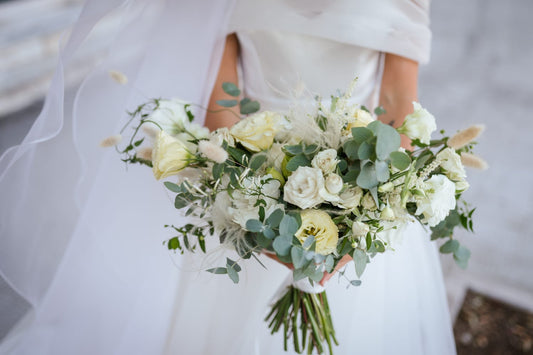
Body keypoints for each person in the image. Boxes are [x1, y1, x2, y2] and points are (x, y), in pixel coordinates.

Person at [0, 0, 455, 354]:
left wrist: (358, 221)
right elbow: (222, 110)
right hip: (251, 185)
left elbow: (399, 112)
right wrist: (259, 213)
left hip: (363, 190)